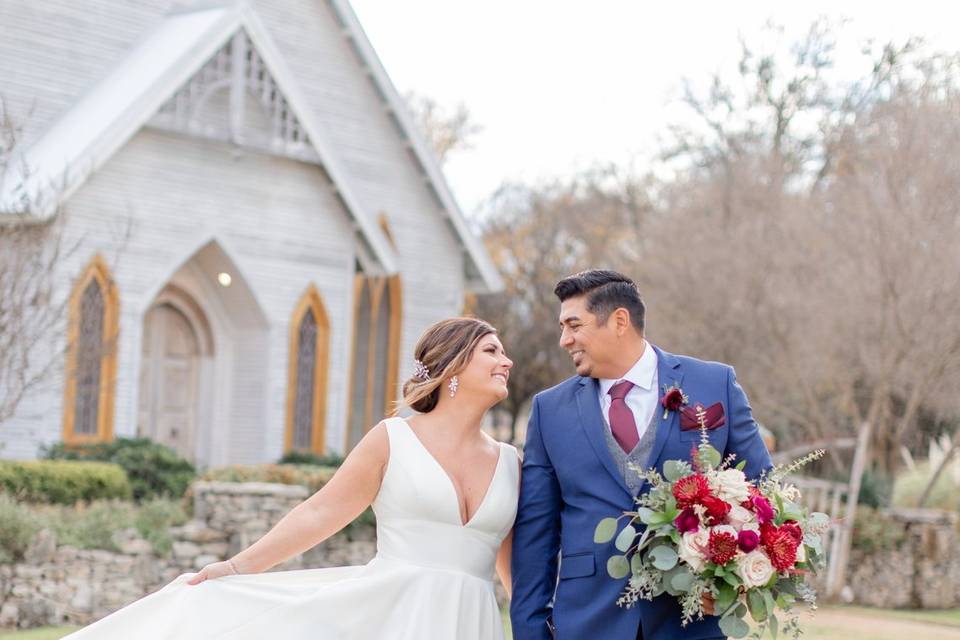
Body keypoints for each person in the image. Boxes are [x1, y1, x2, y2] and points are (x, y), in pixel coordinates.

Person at [65, 317, 518, 640]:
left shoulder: (512, 462)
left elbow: (512, 561)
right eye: (492, 351)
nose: (508, 361)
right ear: (454, 366)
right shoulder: (393, 439)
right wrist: (236, 566)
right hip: (387, 615)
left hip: (473, 619)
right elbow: (321, 511)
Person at [510, 269, 773, 640]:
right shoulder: (548, 411)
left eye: (574, 325)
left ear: (620, 321)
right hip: (587, 622)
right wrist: (531, 632)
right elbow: (534, 539)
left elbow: (764, 495)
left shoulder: (714, 385)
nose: (563, 340)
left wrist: (732, 579)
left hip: (689, 623)